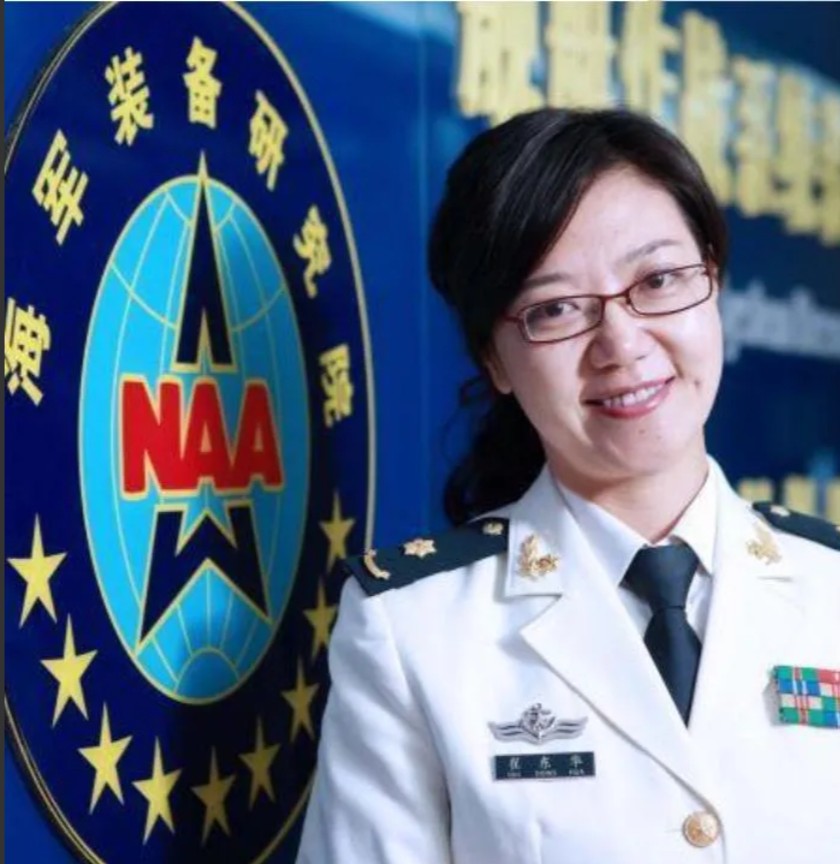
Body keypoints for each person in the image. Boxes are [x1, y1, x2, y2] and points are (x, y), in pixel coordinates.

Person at [296, 108, 840, 863]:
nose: (621, 344)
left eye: (658, 280)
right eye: (555, 310)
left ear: (713, 283)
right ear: (494, 358)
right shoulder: (411, 630)